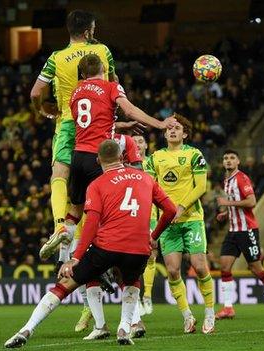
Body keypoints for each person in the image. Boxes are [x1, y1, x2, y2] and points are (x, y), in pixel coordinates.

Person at [39, 54, 171, 338]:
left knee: (77, 212)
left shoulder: (76, 91)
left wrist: (116, 127)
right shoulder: (111, 86)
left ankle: (65, 242)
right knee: (113, 222)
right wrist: (159, 125)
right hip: (100, 162)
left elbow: (87, 122)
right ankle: (133, 319)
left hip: (79, 157)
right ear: (103, 69)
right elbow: (130, 109)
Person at [4, 139, 177, 348]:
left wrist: (75, 258)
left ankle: (27, 329)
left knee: (65, 285)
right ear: (122, 157)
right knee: (132, 282)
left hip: (106, 247)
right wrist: (154, 236)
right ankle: (124, 327)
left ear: (98, 160)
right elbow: (171, 210)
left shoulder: (97, 184)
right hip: (139, 248)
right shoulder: (145, 178)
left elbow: (91, 224)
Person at [30, 10, 117, 266]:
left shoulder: (56, 57)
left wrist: (44, 110)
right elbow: (112, 82)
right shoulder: (102, 51)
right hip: (95, 127)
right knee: (97, 190)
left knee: (59, 176)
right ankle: (96, 242)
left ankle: (59, 226)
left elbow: (36, 92)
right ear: (89, 30)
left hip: (68, 121)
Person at [144, 114, 215, 334]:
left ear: (185, 133)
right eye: (169, 128)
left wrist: (181, 207)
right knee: (173, 271)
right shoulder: (154, 158)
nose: (172, 131)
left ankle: (210, 314)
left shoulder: (194, 155)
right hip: (167, 223)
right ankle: (187, 316)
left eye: (177, 128)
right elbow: (149, 190)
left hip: (191, 219)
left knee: (200, 266)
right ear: (165, 133)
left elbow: (201, 186)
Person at [215, 149, 264, 320]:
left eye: (232, 158)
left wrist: (228, 203)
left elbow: (251, 201)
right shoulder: (227, 180)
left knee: (256, 268)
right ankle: (228, 307)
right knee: (225, 266)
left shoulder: (242, 178)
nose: (228, 161)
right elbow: (238, 204)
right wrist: (227, 213)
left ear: (238, 161)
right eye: (225, 158)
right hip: (233, 230)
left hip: (247, 230)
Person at [133, 134, 158, 317]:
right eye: (133, 142)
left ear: (146, 145)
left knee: (151, 255)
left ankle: (147, 296)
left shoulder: (153, 163)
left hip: (150, 215)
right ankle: (135, 299)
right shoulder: (124, 164)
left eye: (140, 141)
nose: (138, 144)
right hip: (130, 215)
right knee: (131, 258)